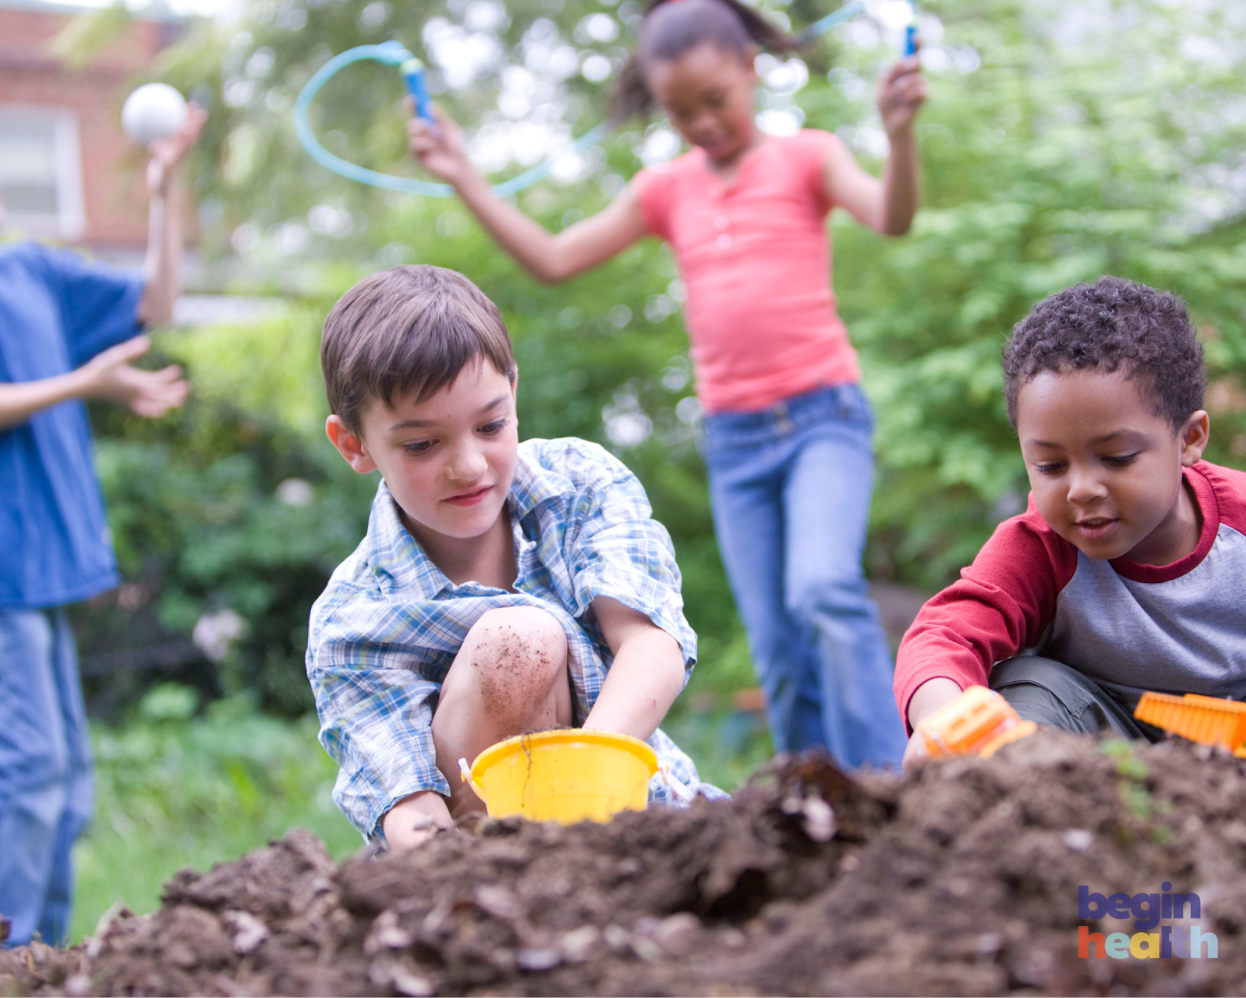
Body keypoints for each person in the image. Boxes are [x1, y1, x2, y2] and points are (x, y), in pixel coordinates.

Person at [406, 0, 926, 769]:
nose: (704, 122)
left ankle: (891, 785)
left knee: (822, 589)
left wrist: (899, 133)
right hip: (737, 440)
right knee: (776, 641)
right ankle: (815, 802)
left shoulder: (807, 157)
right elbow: (553, 259)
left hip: (823, 417)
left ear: (752, 69)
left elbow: (892, 215)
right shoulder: (666, 190)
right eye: (681, 112)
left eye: (716, 100)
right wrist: (464, 178)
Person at [307, 264, 720, 852]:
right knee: (520, 641)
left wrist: (586, 778)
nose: (469, 465)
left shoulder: (580, 483)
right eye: (423, 444)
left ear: (514, 395)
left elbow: (651, 643)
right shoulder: (353, 619)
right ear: (355, 445)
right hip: (480, 863)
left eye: (491, 424)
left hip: (635, 819)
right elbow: (407, 804)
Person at [0, 106, 206, 946]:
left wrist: (161, 195)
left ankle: (38, 959)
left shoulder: (30, 271)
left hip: (42, 563)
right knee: (30, 769)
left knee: (68, 779)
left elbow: (154, 301)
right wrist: (82, 383)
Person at [897, 276, 1242, 765]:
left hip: (1232, 750)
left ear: (1189, 439)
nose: (1081, 488)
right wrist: (941, 717)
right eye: (1052, 466)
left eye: (1117, 457)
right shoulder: (1042, 546)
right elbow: (945, 634)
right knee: (1022, 685)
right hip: (1093, 762)